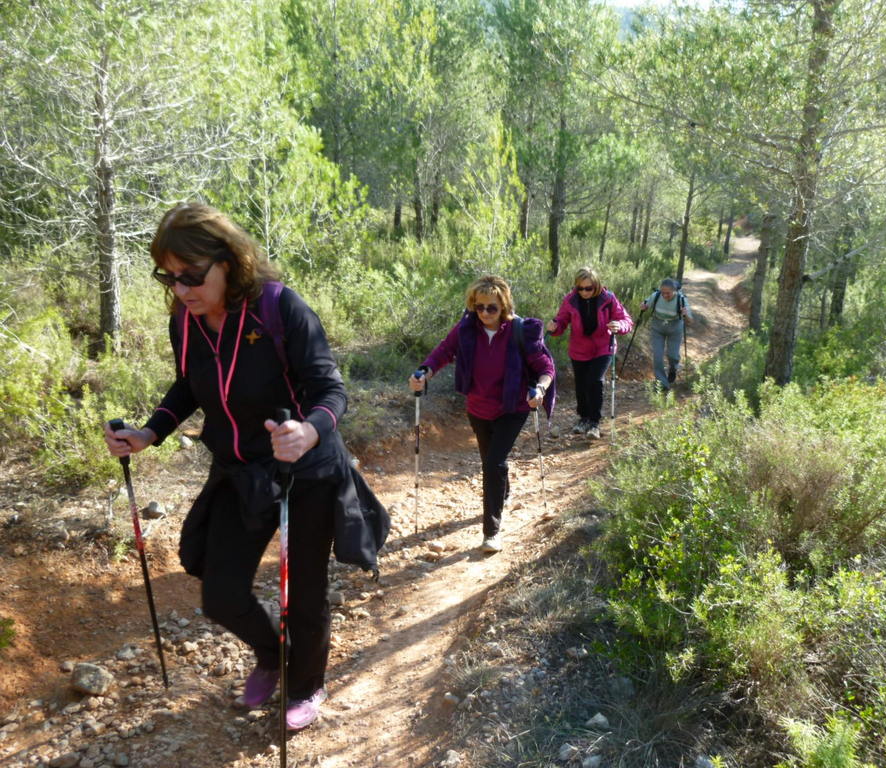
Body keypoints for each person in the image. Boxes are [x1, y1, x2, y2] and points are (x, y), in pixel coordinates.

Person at [103, 202, 380, 731]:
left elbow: (330, 389)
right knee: (222, 594)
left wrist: (309, 430)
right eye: (169, 277)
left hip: (306, 469)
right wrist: (148, 433)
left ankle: (306, 685)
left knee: (304, 593)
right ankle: (272, 653)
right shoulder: (184, 322)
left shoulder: (280, 308)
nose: (182, 289)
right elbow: (189, 385)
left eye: (192, 275)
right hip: (240, 469)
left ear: (228, 261)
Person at [409, 276, 555, 553]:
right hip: (478, 407)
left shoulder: (521, 330)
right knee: (491, 460)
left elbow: (546, 367)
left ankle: (492, 532)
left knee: (493, 464)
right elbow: (444, 351)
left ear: (504, 306)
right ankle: (504, 492)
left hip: (513, 407)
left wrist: (540, 388)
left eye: (492, 308)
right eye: (480, 307)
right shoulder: (466, 328)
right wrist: (424, 372)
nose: (485, 313)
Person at [545, 267, 632, 439]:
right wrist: (554, 326)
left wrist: (619, 326)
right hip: (579, 348)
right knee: (581, 385)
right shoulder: (570, 300)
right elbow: (561, 320)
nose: (584, 292)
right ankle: (583, 418)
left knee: (595, 380)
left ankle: (594, 422)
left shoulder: (608, 299)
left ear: (597, 285)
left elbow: (626, 320)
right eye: (580, 288)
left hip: (603, 346)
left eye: (588, 288)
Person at [641, 278, 693, 391]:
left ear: (674, 291)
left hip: (675, 328)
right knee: (657, 356)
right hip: (657, 327)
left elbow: (690, 321)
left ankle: (673, 368)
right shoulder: (656, 295)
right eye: (662, 292)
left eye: (667, 293)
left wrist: (686, 314)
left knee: (673, 355)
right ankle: (662, 383)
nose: (664, 295)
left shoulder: (681, 299)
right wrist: (644, 307)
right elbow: (645, 305)